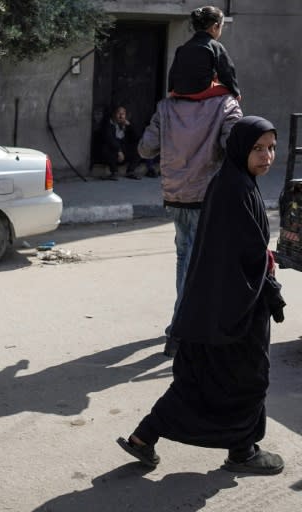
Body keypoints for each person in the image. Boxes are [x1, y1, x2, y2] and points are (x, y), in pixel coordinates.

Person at [117, 116, 285, 476]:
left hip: (213, 307)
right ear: (241, 148)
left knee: (199, 382)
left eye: (271, 147)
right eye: (258, 148)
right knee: (248, 379)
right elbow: (245, 256)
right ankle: (242, 452)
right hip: (234, 310)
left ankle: (143, 439)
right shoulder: (235, 190)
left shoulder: (237, 182)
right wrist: (269, 287)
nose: (267, 155)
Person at [138, 93, 242, 356]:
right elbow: (235, 145)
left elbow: (145, 149)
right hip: (205, 195)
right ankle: (180, 331)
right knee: (195, 264)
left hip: (174, 195)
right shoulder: (225, 104)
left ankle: (182, 324)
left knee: (184, 257)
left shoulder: (165, 106)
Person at [168, 6, 240, 101]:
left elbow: (173, 73)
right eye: (221, 27)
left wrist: (171, 89)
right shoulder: (215, 46)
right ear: (215, 27)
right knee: (229, 94)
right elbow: (227, 71)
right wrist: (235, 92)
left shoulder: (182, 48)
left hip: (179, 91)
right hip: (201, 90)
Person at [99, 106, 144, 180]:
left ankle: (130, 171)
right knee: (105, 147)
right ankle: (114, 172)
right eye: (118, 113)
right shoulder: (108, 123)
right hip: (113, 151)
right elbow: (109, 139)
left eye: (123, 114)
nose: (121, 115)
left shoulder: (127, 124)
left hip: (124, 151)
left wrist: (130, 126)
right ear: (114, 114)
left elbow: (138, 137)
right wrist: (119, 151)